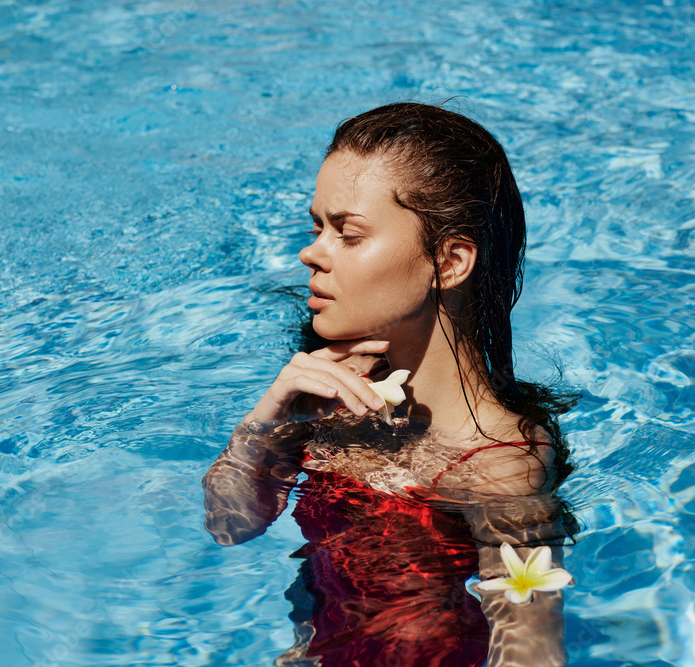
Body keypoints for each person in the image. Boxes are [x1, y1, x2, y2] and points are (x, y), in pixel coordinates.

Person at [202, 101, 580, 667]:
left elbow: (530, 649)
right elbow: (230, 526)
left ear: (449, 262)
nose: (311, 253)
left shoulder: (501, 463)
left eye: (347, 234)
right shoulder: (328, 396)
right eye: (317, 227)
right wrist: (270, 419)